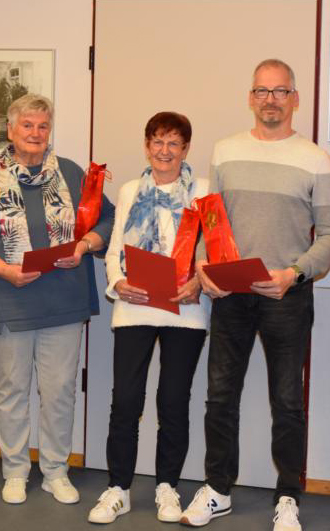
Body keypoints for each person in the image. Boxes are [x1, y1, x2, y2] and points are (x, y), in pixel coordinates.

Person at [180, 59, 330, 531]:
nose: (270, 100)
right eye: (261, 91)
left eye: (280, 91)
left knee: (287, 402)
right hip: (230, 293)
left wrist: (294, 273)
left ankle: (288, 496)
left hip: (286, 296)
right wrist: (203, 266)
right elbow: (211, 220)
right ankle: (217, 489)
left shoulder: (316, 159)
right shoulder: (225, 151)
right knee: (219, 397)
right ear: (250, 98)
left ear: (295, 98)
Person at [0, 94, 114, 505]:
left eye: (43, 126)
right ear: (11, 130)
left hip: (64, 302)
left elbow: (109, 219)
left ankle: (56, 471)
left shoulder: (72, 173)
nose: (36, 133)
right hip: (10, 302)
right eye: (27, 125)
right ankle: (15, 471)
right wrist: (2, 270)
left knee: (59, 392)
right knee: (12, 392)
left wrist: (84, 245)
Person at [87, 112, 210, 524]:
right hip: (134, 305)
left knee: (173, 402)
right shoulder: (129, 190)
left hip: (186, 309)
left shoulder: (204, 191)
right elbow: (114, 249)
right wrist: (118, 282)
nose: (164, 150)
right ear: (147, 146)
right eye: (157, 141)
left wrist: (198, 281)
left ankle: (167, 487)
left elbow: (213, 248)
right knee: (125, 401)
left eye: (174, 143)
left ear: (186, 149)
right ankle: (118, 488)